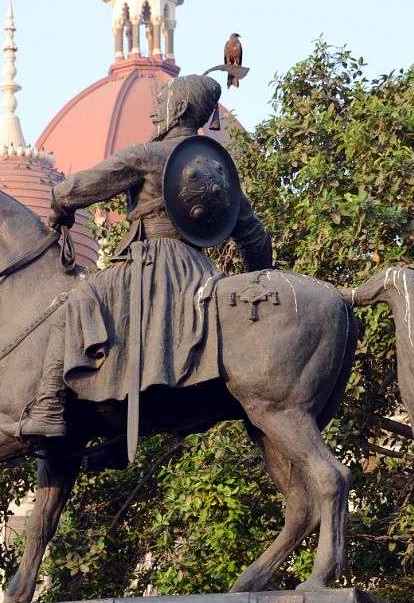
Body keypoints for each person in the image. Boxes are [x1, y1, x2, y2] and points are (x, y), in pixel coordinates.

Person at [19, 75, 272, 439]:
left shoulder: (148, 155)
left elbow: (80, 187)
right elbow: (255, 237)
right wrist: (256, 292)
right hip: (200, 272)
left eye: (160, 103)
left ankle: (48, 407)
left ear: (179, 109)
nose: (154, 112)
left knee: (76, 301)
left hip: (150, 263)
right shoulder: (217, 169)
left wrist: (60, 205)